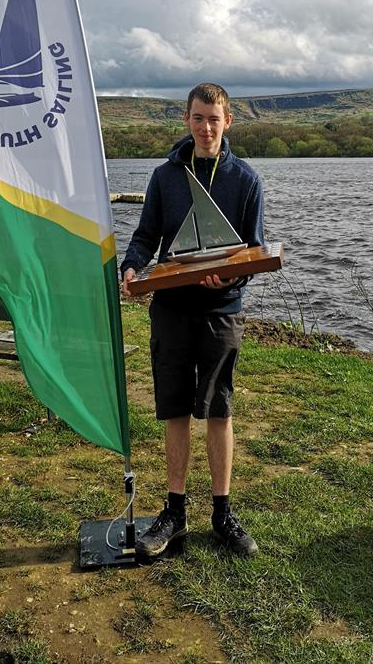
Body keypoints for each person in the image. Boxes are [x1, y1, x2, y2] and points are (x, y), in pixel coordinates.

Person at [120, 82, 264, 559]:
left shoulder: (246, 181)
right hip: (170, 313)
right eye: (198, 118)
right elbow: (144, 237)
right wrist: (131, 265)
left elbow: (254, 253)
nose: (206, 128)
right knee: (175, 412)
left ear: (228, 122)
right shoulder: (165, 177)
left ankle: (222, 514)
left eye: (214, 119)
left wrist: (225, 283)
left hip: (221, 315)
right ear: (186, 120)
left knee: (219, 412)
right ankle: (175, 511)